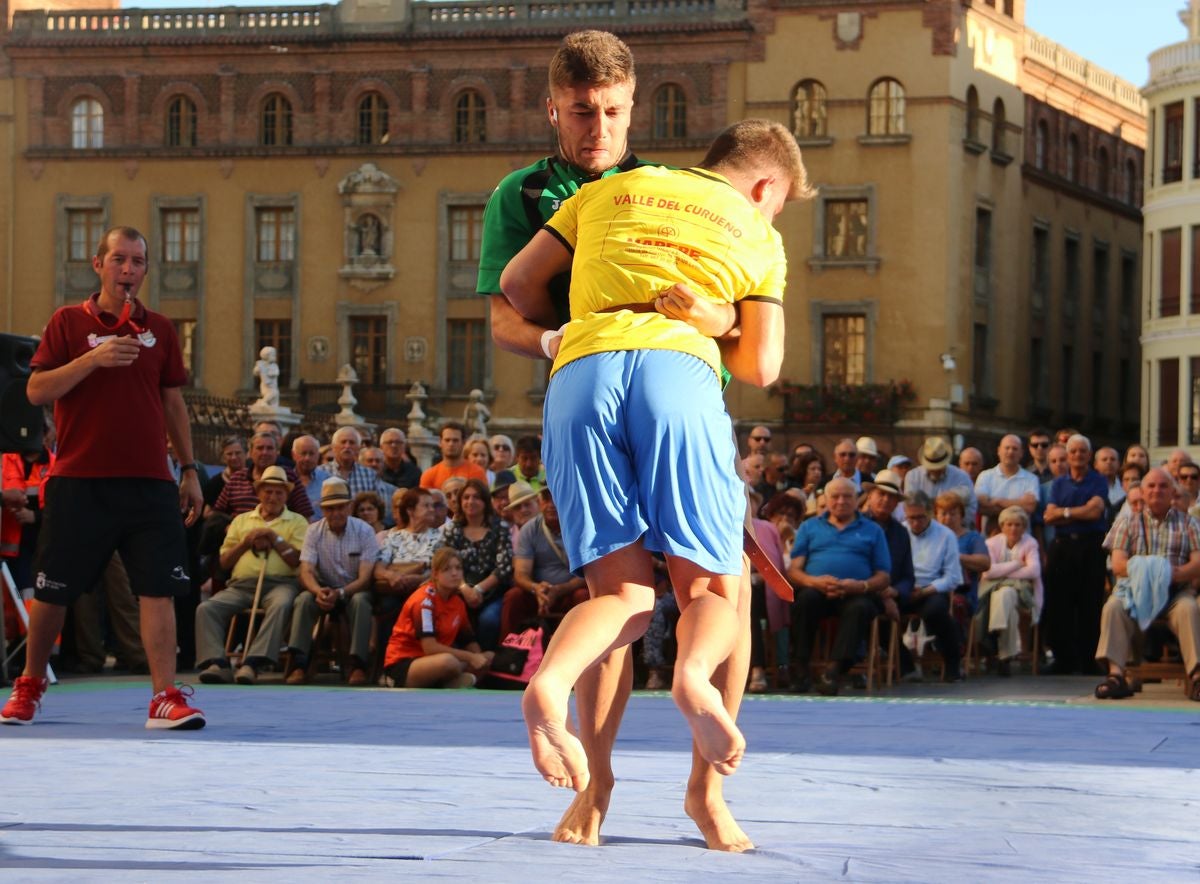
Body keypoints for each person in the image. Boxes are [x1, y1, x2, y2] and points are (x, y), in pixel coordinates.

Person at [501, 116, 810, 852]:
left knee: (617, 597)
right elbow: (760, 368)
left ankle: (555, 701)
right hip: (678, 374)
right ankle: (694, 692)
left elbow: (517, 284)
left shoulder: (615, 187)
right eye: (780, 202)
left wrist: (590, 322)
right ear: (767, 186)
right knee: (716, 585)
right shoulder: (759, 232)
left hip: (581, 371)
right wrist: (726, 314)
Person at [1, 225, 205, 729]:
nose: (128, 270)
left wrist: (189, 469)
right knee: (52, 591)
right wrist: (93, 358)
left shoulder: (160, 328)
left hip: (149, 482)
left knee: (159, 588)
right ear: (99, 265)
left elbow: (172, 401)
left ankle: (163, 696)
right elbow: (35, 391)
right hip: (80, 480)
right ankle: (29, 684)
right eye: (119, 259)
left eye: (138, 261)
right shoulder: (69, 322)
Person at [1093, 468, 1200, 701]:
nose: (1157, 490)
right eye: (1151, 486)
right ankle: (1116, 676)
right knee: (1113, 607)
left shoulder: (1189, 523)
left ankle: (1196, 675)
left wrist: (1168, 574)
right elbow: (1119, 565)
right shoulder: (1126, 523)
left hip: (1175, 592)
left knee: (1189, 608)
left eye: (1163, 486)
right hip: (1134, 592)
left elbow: (1197, 564)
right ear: (1141, 491)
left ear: (1173, 492)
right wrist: (1152, 573)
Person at [195, 465, 307, 685]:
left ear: (286, 495)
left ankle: (253, 662)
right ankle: (218, 662)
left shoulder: (298, 521)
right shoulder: (241, 521)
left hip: (281, 584)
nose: (273, 496)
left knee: (282, 603)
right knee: (206, 608)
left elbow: (297, 561)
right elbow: (225, 562)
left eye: (279, 492)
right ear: (259, 492)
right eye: (268, 491)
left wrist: (275, 539)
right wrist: (247, 542)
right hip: (240, 585)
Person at [786, 477, 891, 695]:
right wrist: (815, 582)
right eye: (835, 496)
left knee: (860, 608)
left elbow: (883, 576)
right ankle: (800, 669)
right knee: (804, 601)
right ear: (826, 499)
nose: (841, 501)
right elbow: (794, 570)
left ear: (856, 500)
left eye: (847, 496)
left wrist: (860, 586)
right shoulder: (809, 526)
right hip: (817, 589)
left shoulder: (873, 530)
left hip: (857, 592)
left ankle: (833, 671)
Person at [286, 477, 380, 686]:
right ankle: (299, 663)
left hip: (354, 589)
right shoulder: (313, 531)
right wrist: (318, 591)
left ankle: (357, 664)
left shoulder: (364, 531)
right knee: (303, 600)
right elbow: (306, 570)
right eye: (330, 509)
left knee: (361, 602)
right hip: (323, 587)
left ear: (349, 507)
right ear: (322, 509)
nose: (335, 513)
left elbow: (365, 578)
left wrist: (341, 593)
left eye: (340, 507)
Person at [1042, 434, 1108, 675]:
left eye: (1082, 452)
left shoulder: (1098, 481)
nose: (1078, 456)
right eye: (1073, 452)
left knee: (1089, 603)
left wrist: (1064, 512)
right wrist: (1076, 511)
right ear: (1067, 456)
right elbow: (1048, 516)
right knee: (1060, 603)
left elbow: (1095, 512)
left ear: (1089, 455)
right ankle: (1063, 659)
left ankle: (1089, 659)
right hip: (1063, 547)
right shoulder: (1058, 484)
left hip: (1090, 547)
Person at [382, 547, 493, 689]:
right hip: (404, 664)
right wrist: (471, 658)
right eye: (447, 569)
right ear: (435, 574)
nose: (454, 573)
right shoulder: (424, 601)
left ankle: (451, 684)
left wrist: (479, 658)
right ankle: (450, 683)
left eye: (458, 568)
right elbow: (430, 648)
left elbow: (468, 640)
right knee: (449, 662)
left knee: (488, 657)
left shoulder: (457, 602)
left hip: (434, 661)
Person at [501, 486, 589, 638]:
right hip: (539, 593)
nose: (551, 504)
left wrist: (560, 589)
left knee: (584, 596)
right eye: (546, 499)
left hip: (571, 590)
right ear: (539, 502)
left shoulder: (580, 525)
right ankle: (508, 653)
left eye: (555, 498)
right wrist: (536, 588)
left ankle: (587, 651)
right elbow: (521, 573)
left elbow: (589, 573)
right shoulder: (529, 529)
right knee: (513, 597)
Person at [440, 477, 514, 650]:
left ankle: (486, 666)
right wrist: (465, 589)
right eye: (466, 497)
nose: (470, 501)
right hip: (459, 590)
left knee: (488, 620)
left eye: (476, 497)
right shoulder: (453, 530)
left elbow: (504, 567)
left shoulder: (499, 527)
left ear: (485, 501)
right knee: (454, 618)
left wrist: (479, 589)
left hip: (493, 592)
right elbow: (445, 564)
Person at [900, 490, 964, 681]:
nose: (916, 523)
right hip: (903, 586)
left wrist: (925, 591)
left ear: (930, 513)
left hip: (931, 588)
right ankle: (905, 664)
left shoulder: (946, 535)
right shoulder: (900, 531)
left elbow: (953, 576)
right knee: (878, 611)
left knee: (936, 612)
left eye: (920, 517)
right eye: (911, 518)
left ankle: (952, 663)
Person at [977, 505, 1043, 676]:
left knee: (1007, 592)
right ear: (1002, 526)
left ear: (1024, 527)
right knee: (1008, 603)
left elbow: (1034, 571)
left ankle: (994, 634)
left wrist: (1003, 572)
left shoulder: (1030, 543)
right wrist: (1017, 564)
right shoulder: (991, 543)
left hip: (1023, 593)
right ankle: (1005, 657)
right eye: (1009, 524)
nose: (1013, 528)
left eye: (1018, 525)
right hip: (991, 592)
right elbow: (988, 571)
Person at [905, 437, 978, 526]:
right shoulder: (913, 477)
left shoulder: (961, 477)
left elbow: (972, 506)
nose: (936, 469)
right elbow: (909, 507)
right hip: (922, 529)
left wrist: (955, 523)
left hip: (956, 532)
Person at [974, 434, 1038, 534]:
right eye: (1007, 448)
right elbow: (981, 506)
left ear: (1021, 453)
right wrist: (1019, 505)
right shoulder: (985, 476)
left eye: (1015, 448)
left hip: (1023, 544)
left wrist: (997, 501)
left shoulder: (1031, 479)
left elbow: (1029, 507)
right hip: (991, 542)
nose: (1010, 451)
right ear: (999, 450)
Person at [420, 421, 487, 489]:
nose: (451, 444)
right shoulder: (429, 475)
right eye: (447, 440)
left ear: (464, 442)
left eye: (455, 440)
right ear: (440, 442)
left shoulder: (477, 472)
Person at [290, 434, 330, 520]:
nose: (307, 458)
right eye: (303, 453)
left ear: (318, 455)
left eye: (311, 454)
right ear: (293, 455)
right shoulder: (287, 479)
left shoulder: (327, 480)